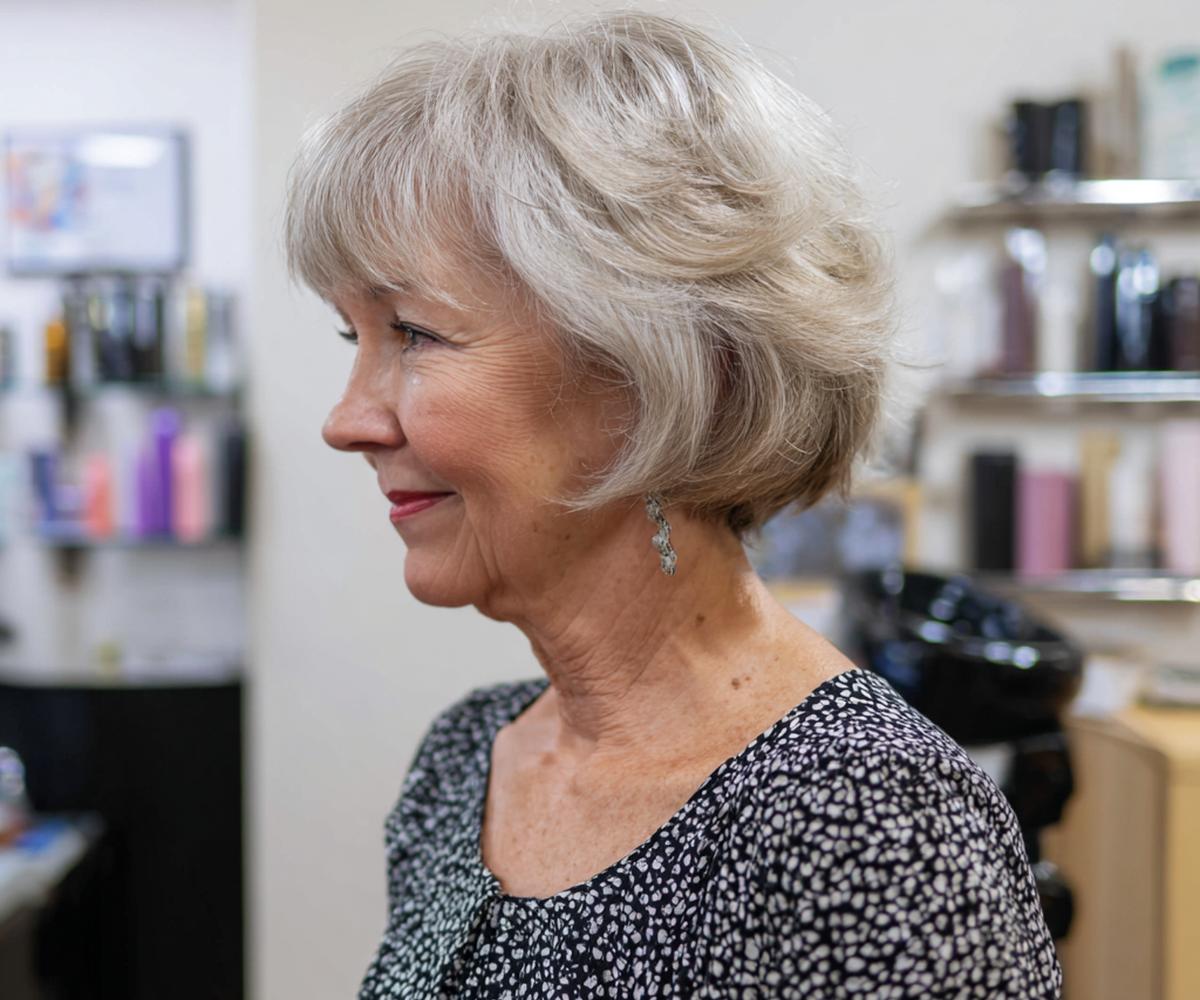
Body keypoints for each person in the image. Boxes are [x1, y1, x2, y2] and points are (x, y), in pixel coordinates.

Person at [285, 10, 1062, 998]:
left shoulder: (869, 824)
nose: (347, 419)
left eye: (415, 334)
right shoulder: (466, 761)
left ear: (660, 374)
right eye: (348, 339)